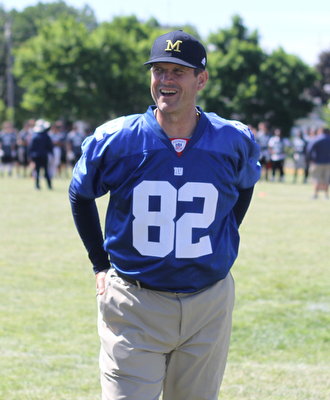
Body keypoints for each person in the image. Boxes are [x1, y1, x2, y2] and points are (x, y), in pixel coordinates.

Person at [69, 30, 260, 400]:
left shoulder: (231, 139)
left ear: (201, 79)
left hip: (208, 301)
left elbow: (244, 185)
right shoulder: (119, 138)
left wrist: (224, 230)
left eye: (178, 71)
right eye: (159, 70)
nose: (165, 80)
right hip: (134, 302)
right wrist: (98, 262)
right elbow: (80, 194)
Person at [307, 127, 330, 200]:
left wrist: (311, 159)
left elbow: (309, 149)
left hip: (317, 162)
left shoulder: (317, 138)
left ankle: (315, 194)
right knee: (326, 179)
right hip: (328, 162)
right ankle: (326, 195)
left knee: (316, 178)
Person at [29, 118, 53, 190]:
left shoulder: (34, 136)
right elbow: (50, 147)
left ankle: (37, 185)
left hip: (36, 156)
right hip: (44, 156)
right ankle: (49, 185)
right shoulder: (46, 136)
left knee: (37, 171)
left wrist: (29, 155)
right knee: (46, 171)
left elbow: (30, 147)